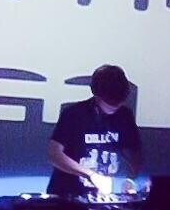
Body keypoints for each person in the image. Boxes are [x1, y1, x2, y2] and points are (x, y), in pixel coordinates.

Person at [46, 64, 142, 196]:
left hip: (101, 195)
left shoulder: (125, 116)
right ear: (96, 95)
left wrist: (131, 178)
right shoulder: (74, 114)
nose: (114, 106)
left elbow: (134, 151)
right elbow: (54, 154)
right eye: (109, 102)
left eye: (118, 102)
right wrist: (90, 174)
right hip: (67, 193)